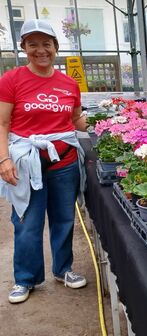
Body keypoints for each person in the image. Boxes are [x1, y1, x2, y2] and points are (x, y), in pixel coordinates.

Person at [0, 19, 88, 304]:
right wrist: (3, 159)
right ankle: (25, 278)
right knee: (27, 222)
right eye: (33, 44)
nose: (40, 50)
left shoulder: (68, 84)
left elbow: (76, 120)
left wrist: (114, 123)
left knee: (64, 219)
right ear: (24, 47)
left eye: (46, 44)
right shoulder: (11, 80)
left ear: (55, 48)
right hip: (26, 163)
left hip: (64, 161)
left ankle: (63, 270)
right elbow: (2, 124)